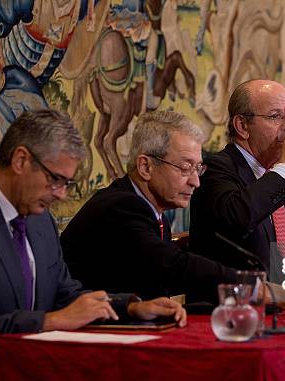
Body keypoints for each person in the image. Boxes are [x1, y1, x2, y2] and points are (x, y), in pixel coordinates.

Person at [0, 110, 185, 381]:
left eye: (67, 183)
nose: (62, 194)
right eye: (56, 180)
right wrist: (50, 321)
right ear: (21, 160)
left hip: (31, 378)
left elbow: (66, 294)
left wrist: (132, 308)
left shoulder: (40, 220)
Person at [61, 110, 237, 303]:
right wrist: (244, 283)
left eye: (198, 168)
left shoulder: (154, 212)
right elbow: (172, 265)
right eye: (186, 168)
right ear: (146, 167)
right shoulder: (120, 207)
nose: (196, 182)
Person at [189, 79, 285, 272]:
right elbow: (239, 217)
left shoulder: (279, 175)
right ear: (242, 126)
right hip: (237, 299)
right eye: (275, 116)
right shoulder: (214, 169)